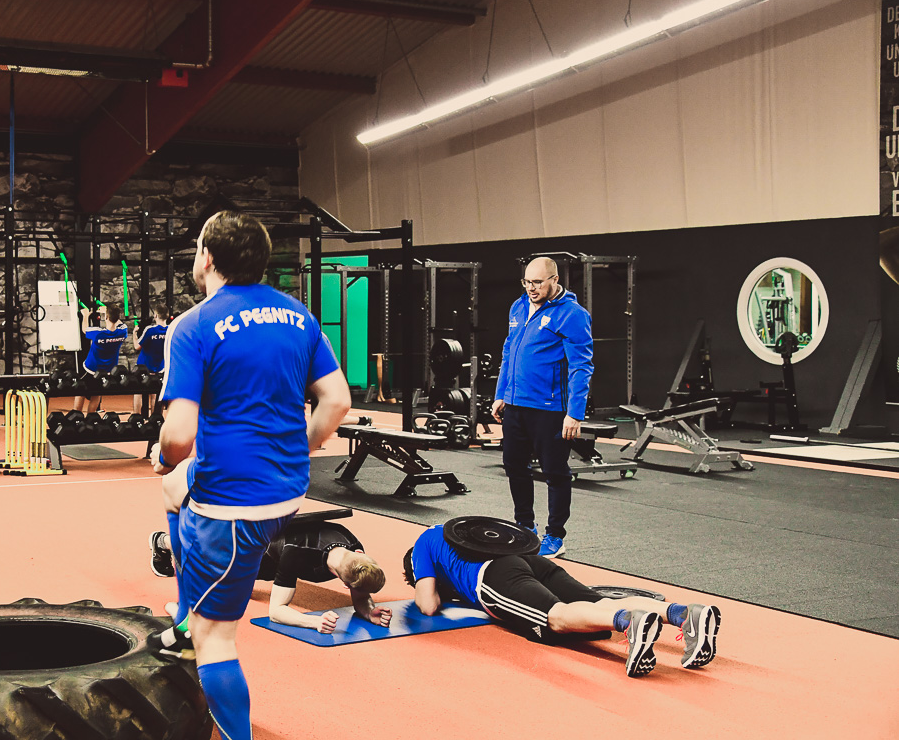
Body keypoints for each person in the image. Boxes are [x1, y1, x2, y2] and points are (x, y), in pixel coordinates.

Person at [149, 210, 351, 740]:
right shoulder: (298, 316)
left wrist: (164, 455)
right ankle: (187, 614)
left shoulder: (192, 326)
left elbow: (179, 435)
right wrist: (299, 448)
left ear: (207, 258)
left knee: (218, 640)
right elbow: (336, 401)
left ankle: (209, 655)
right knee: (173, 494)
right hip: (285, 486)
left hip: (234, 503)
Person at [403, 523, 722, 678]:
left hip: (495, 576)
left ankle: (628, 623)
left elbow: (427, 603)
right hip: (530, 559)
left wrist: (439, 586)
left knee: (556, 617)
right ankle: (684, 613)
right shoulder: (455, 528)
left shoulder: (422, 545)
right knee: (596, 603)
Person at [491, 256, 594, 558]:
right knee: (513, 466)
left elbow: (581, 366)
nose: (531, 288)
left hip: (549, 410)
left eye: (537, 282)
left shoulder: (573, 315)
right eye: (526, 282)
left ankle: (555, 536)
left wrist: (574, 413)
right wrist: (501, 394)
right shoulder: (519, 306)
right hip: (515, 404)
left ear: (554, 280)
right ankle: (525, 527)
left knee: (555, 472)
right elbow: (509, 351)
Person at [148, 518, 390, 633]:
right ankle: (162, 541)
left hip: (276, 547)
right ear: (342, 582)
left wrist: (369, 610)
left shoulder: (357, 557)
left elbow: (360, 595)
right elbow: (275, 612)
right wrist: (313, 621)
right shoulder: (296, 553)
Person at [74, 302, 128, 413]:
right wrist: (109, 313)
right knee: (97, 394)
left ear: (106, 317)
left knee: (80, 392)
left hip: (91, 369)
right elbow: (119, 322)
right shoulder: (123, 332)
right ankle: (91, 419)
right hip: (107, 370)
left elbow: (85, 329)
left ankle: (76, 418)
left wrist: (85, 316)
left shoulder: (98, 333)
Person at [133, 304, 169, 417]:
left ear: (156, 315)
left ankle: (137, 418)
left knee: (138, 392)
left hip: (144, 366)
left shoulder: (150, 330)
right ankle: (154, 420)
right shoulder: (170, 330)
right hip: (159, 366)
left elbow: (137, 346)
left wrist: (134, 333)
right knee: (154, 394)